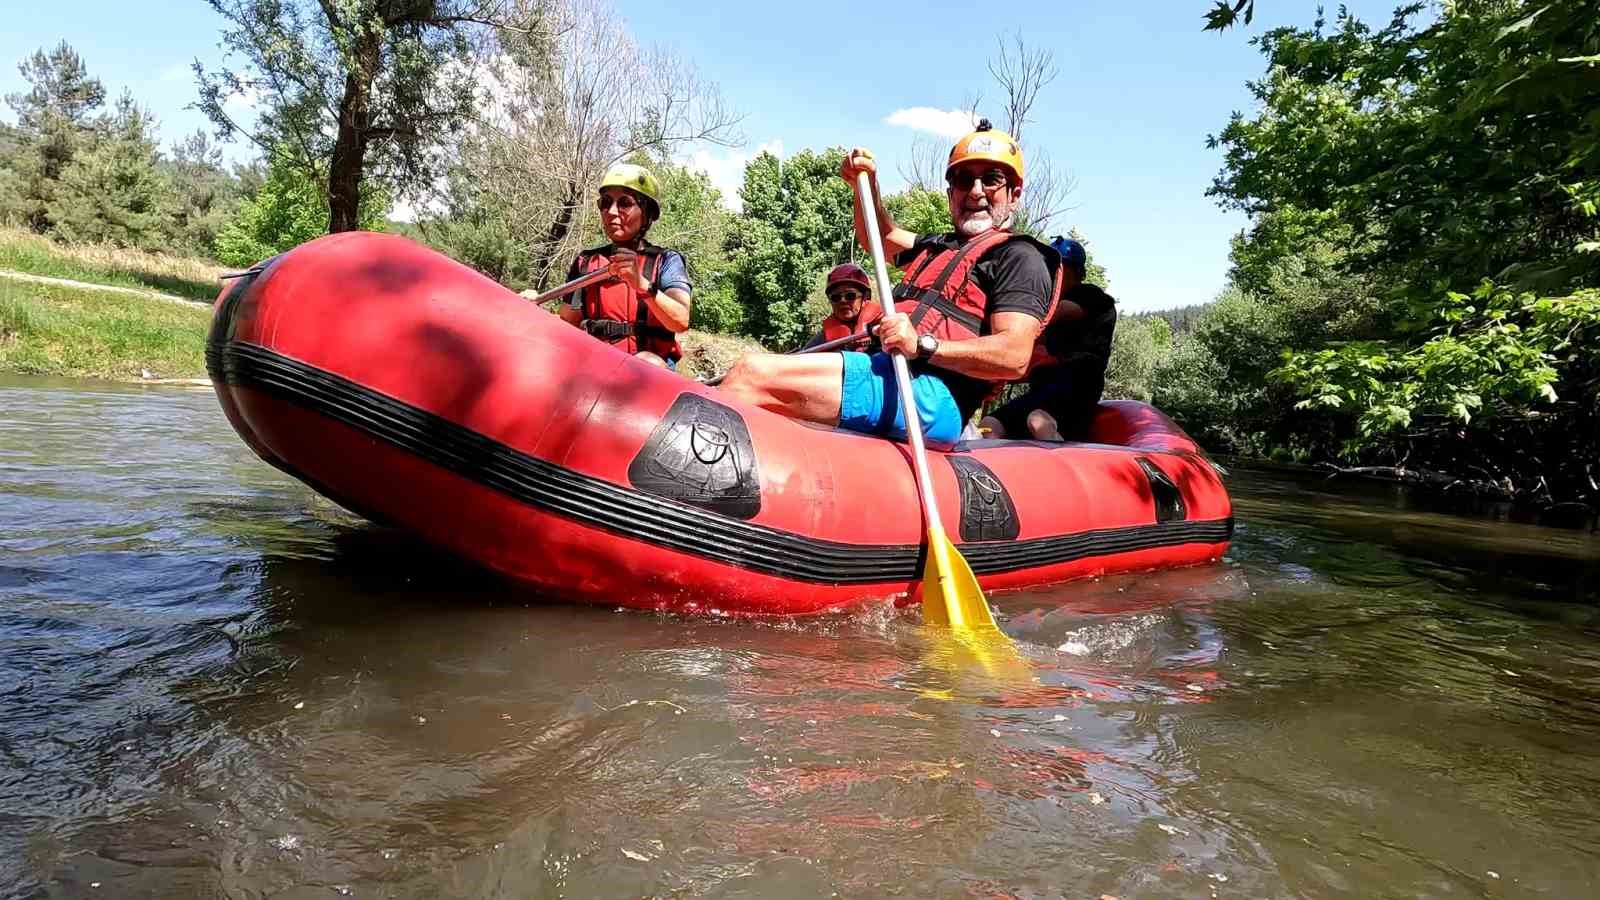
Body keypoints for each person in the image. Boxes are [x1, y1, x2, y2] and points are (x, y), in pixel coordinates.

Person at [719, 121, 1058, 445]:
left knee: (750, 376)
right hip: (889, 370)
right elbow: (879, 238)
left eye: (991, 180)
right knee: (744, 374)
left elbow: (1014, 355)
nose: (976, 191)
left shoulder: (1020, 257)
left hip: (933, 394)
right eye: (963, 179)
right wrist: (865, 187)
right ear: (950, 191)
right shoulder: (938, 247)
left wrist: (923, 345)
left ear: (1014, 194)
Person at [979, 237, 1117, 441]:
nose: (1054, 275)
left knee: (1038, 420)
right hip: (1044, 388)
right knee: (989, 425)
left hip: (1077, 385)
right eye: (1051, 268)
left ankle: (1064, 466)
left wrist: (1012, 312)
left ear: (1077, 273)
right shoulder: (1049, 312)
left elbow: (1057, 313)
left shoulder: (1090, 295)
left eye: (1061, 269)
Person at [559, 163, 692, 369]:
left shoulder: (667, 261)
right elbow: (567, 322)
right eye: (605, 202)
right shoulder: (585, 262)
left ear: (646, 212)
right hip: (596, 366)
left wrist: (642, 285)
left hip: (650, 374)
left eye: (625, 203)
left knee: (646, 363)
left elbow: (680, 321)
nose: (611, 212)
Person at [803, 263, 883, 350]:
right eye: (835, 297)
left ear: (865, 297)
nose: (842, 301)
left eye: (850, 295)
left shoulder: (882, 325)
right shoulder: (822, 338)